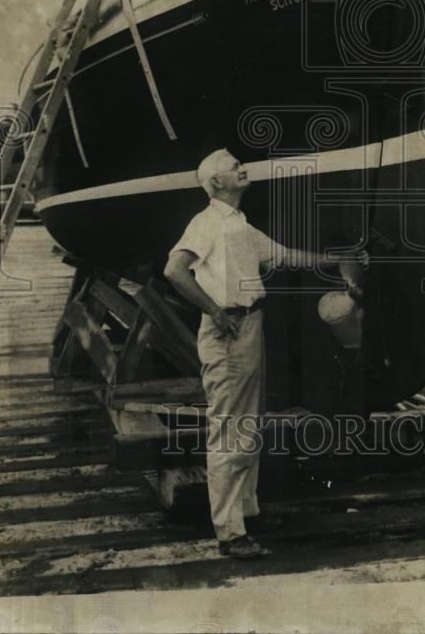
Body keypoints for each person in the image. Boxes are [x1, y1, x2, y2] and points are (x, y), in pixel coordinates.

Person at [164, 148, 365, 560]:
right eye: (234, 166)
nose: (243, 168)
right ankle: (229, 533)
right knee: (228, 429)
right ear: (216, 181)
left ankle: (248, 513)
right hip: (228, 331)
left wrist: (340, 258)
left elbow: (287, 257)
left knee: (248, 424)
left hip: (249, 326)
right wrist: (215, 312)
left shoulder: (238, 225)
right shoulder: (206, 223)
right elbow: (174, 269)